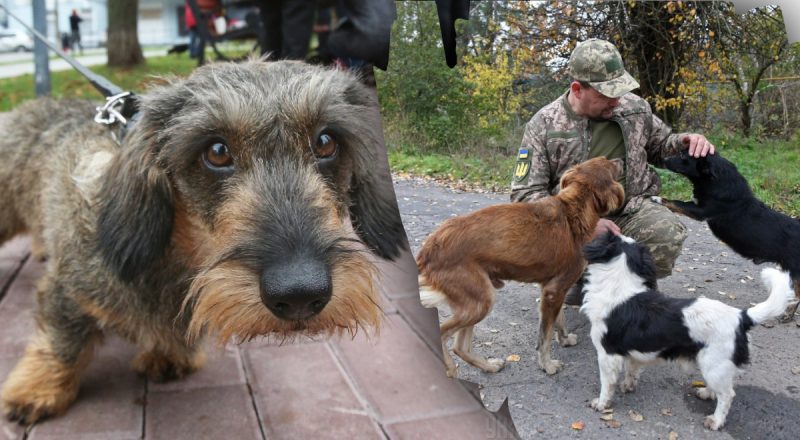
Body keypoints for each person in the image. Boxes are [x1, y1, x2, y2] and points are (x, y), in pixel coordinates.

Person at [510, 39, 715, 302]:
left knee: (665, 234)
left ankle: (634, 289)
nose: (616, 101)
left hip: (632, 209)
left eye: (618, 91)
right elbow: (525, 195)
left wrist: (687, 142)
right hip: (572, 222)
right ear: (577, 89)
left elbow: (662, 145)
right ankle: (581, 281)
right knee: (551, 237)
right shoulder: (544, 125)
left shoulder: (634, 108)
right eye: (606, 95)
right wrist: (582, 225)